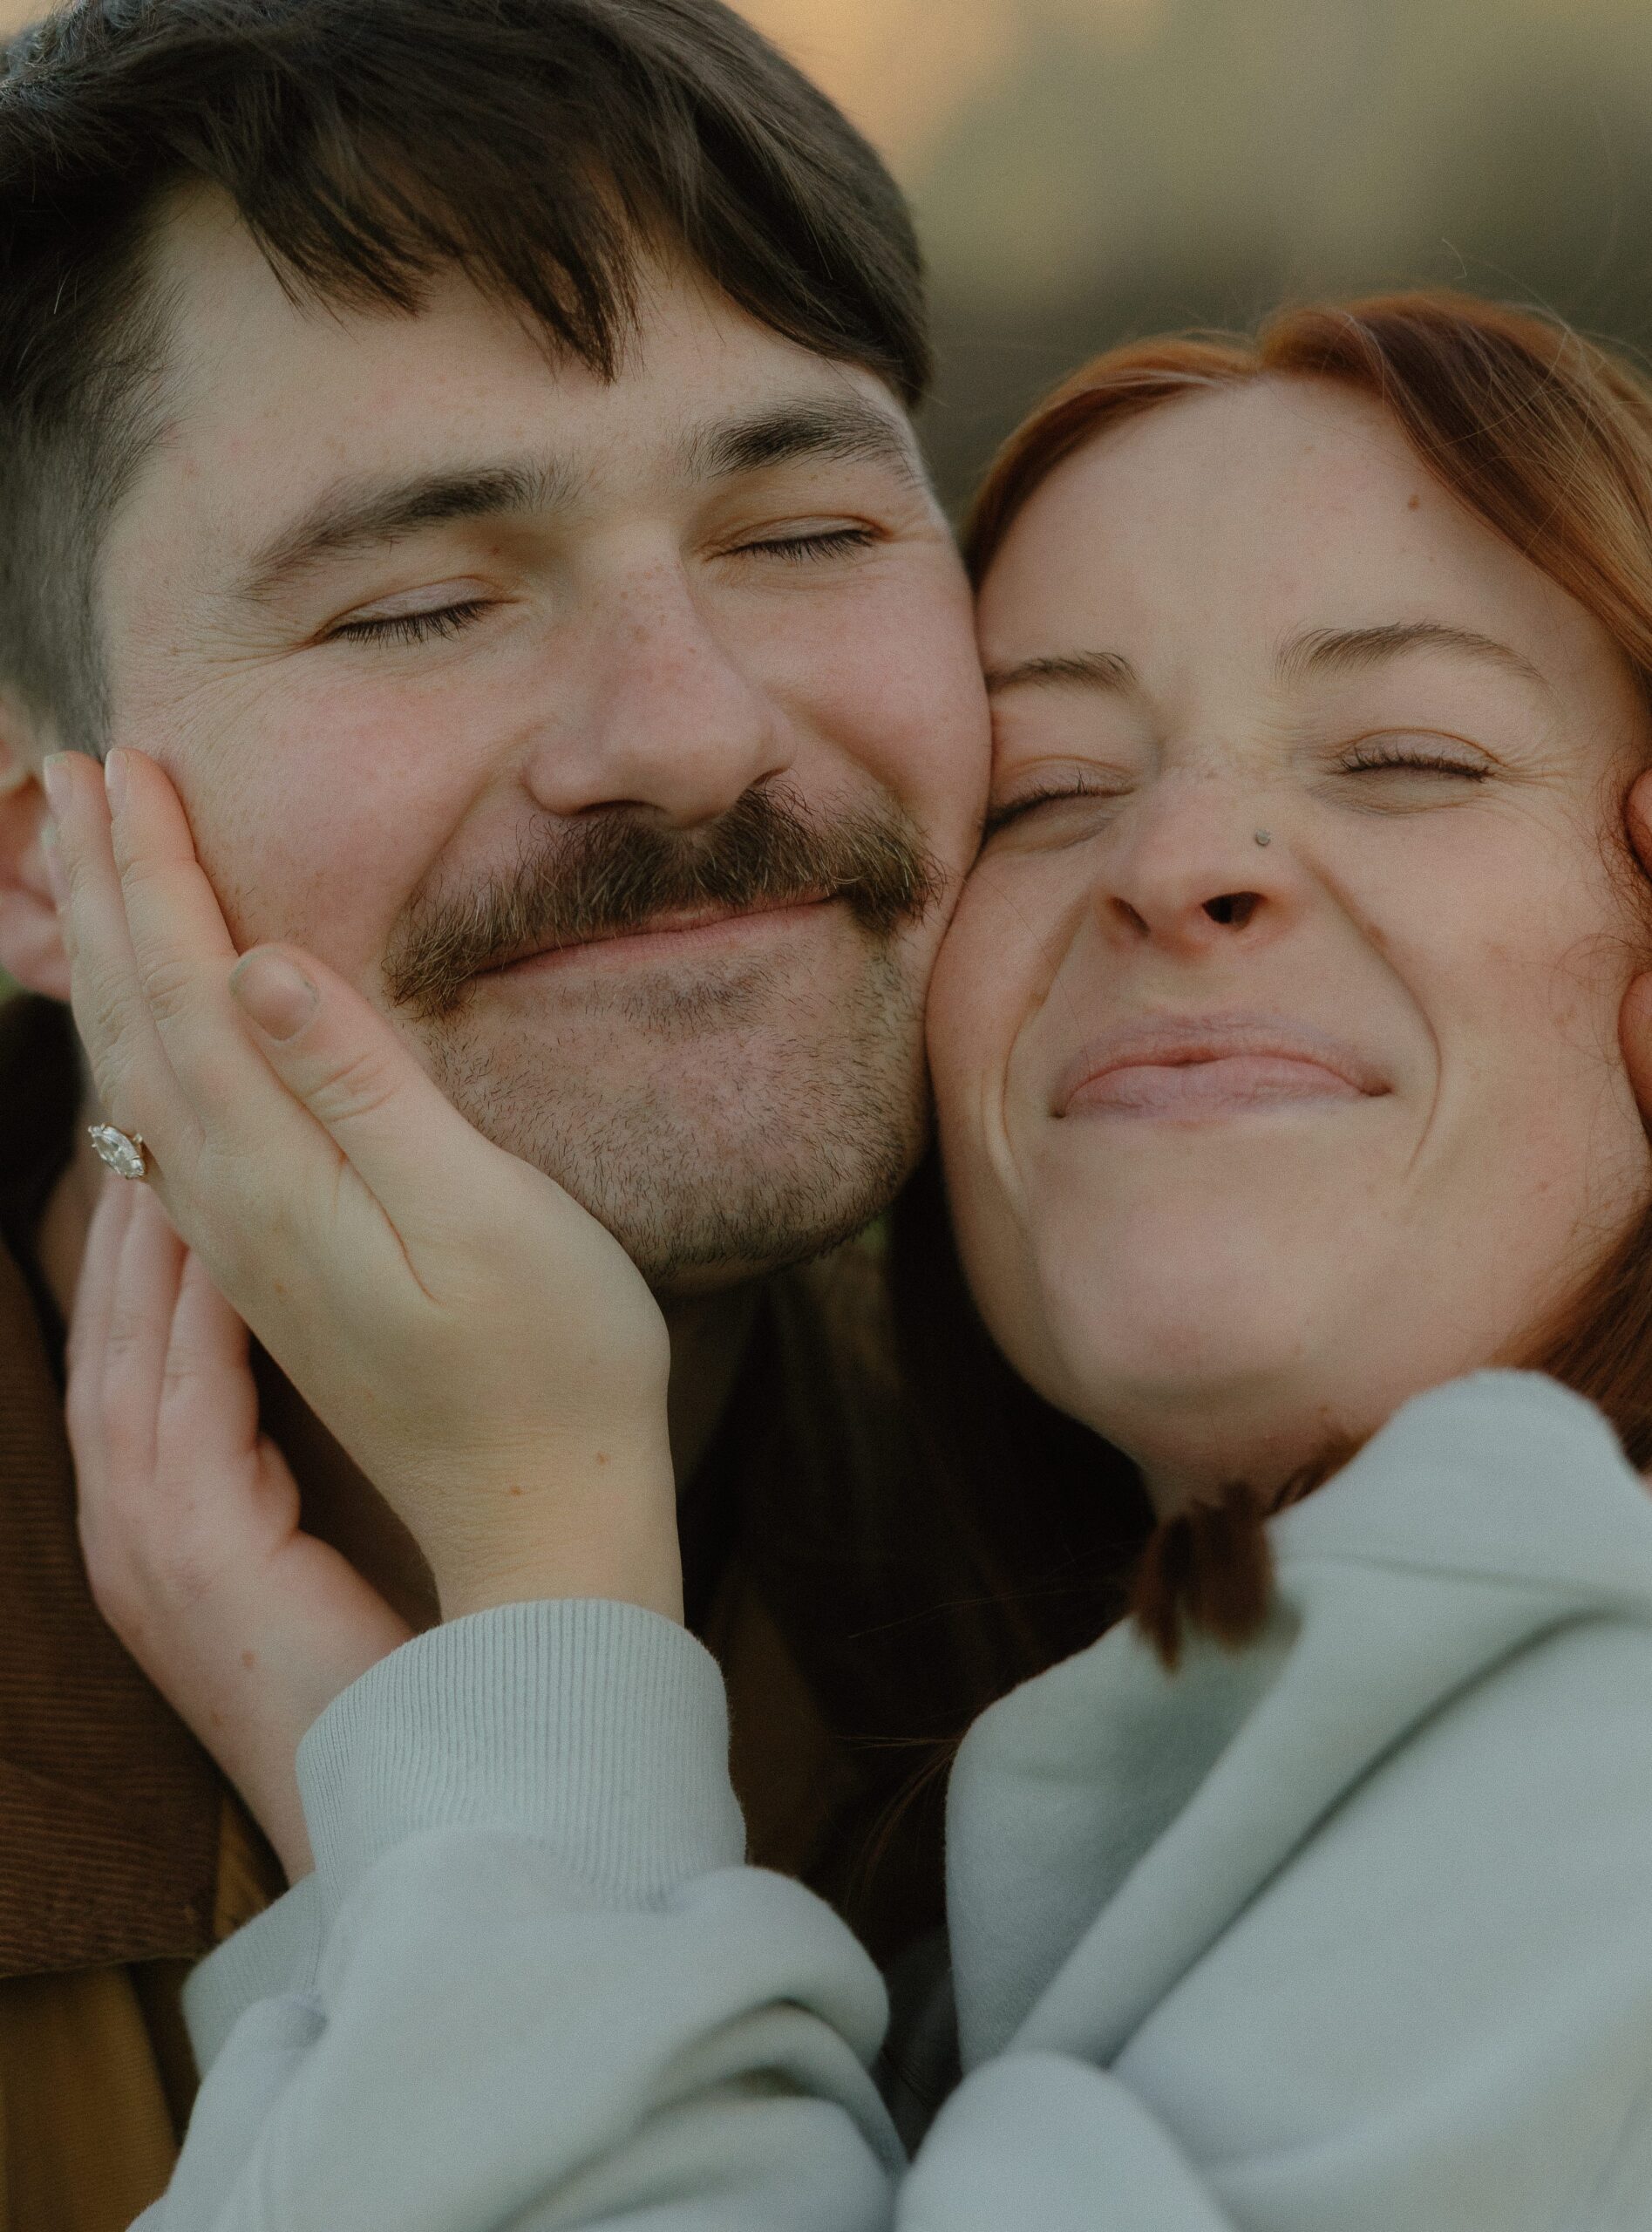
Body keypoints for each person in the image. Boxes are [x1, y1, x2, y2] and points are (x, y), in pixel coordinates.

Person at [46, 289, 1652, 2227]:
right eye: (1053, 788)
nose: (1178, 858)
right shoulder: (983, 1855)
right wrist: (409, 1825)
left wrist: (541, 1583)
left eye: (1407, 755)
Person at [0, 1, 1045, 2220]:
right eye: (426, 602)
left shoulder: (1131, 1535)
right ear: (27, 849)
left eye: (803, 530)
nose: (687, 732)